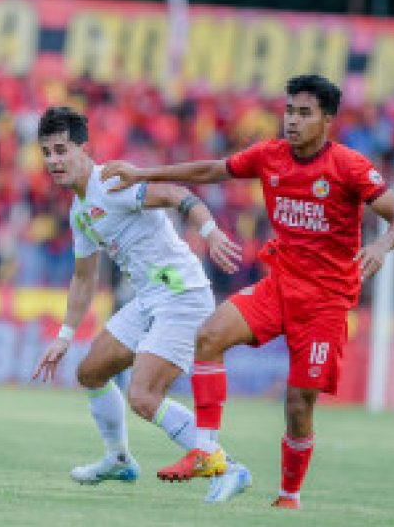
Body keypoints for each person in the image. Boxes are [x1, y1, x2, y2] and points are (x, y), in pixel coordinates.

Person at [103, 75, 394, 507]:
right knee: (209, 336)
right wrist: (142, 172)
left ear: (326, 120)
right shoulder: (271, 156)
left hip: (326, 302)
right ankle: (207, 453)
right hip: (279, 286)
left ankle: (289, 496)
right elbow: (211, 170)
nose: (292, 120)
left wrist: (380, 246)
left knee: (299, 403)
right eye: (289, 110)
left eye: (304, 113)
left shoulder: (351, 167)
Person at [31, 106, 249, 495]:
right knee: (91, 372)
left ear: (84, 148)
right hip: (149, 299)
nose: (53, 161)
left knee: (144, 397)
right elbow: (83, 278)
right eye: (46, 152)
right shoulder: (79, 211)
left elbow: (176, 194)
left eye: (61, 150)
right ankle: (118, 458)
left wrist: (211, 231)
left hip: (181, 295)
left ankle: (226, 467)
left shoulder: (112, 183)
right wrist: (65, 336)